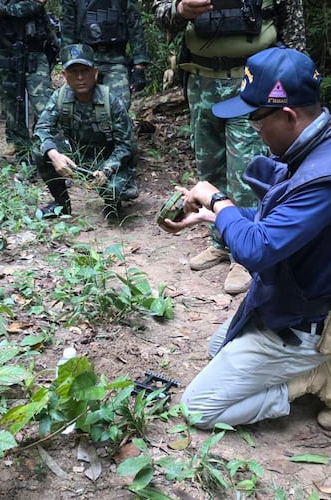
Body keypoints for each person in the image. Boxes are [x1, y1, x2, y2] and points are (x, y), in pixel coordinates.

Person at [159, 46, 331, 430]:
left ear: (287, 115)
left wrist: (219, 202)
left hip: (303, 322)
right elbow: (276, 224)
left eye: (255, 120)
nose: (254, 130)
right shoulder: (311, 149)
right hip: (285, 300)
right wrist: (211, 216)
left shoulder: (322, 177)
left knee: (197, 409)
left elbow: (258, 249)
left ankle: (310, 377)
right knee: (215, 348)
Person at [153, 0, 306, 295]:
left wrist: (289, 86)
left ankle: (245, 253)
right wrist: (180, 10)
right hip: (201, 81)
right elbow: (161, 16)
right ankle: (219, 242)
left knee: (246, 170)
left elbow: (295, 33)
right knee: (208, 166)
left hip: (253, 83)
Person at [33, 44, 139, 219]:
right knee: (40, 149)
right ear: (64, 76)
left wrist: (107, 170)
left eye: (85, 70)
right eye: (74, 72)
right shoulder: (59, 97)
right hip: (77, 156)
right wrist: (54, 155)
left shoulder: (110, 101)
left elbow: (125, 146)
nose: (80, 77)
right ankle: (61, 204)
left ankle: (114, 201)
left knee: (113, 191)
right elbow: (42, 129)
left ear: (95, 73)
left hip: (106, 159)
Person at [0, 0, 56, 160]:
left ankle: (46, 149)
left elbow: (35, 4)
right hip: (6, 49)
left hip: (35, 50)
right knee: (11, 105)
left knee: (44, 106)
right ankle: (22, 152)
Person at [61, 0, 150, 110]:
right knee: (80, 109)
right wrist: (68, 64)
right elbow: (68, 27)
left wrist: (139, 64)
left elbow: (135, 25)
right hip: (85, 60)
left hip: (115, 60)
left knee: (120, 107)